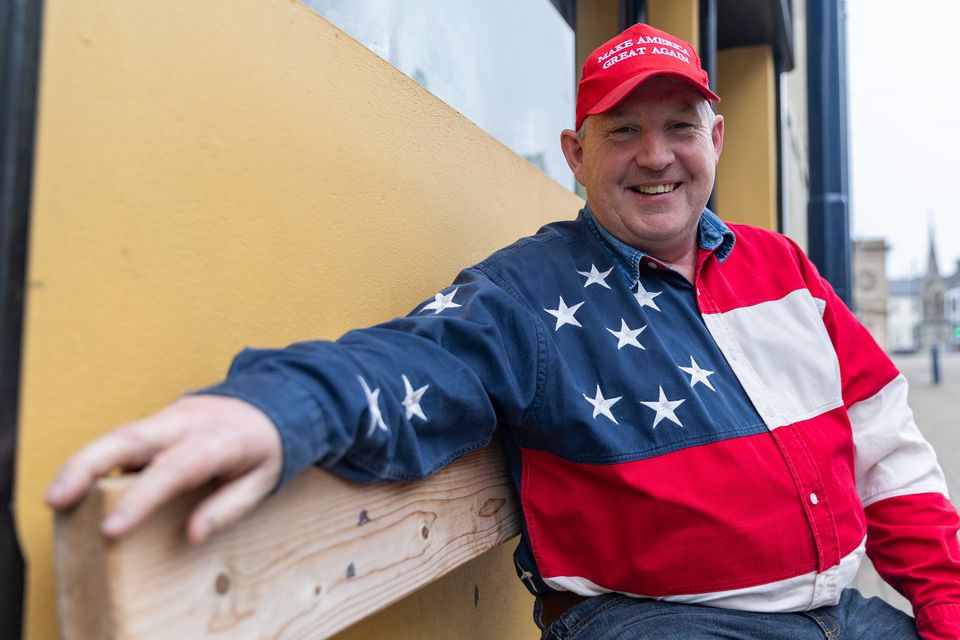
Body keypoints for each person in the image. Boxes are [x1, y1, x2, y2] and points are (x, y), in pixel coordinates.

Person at [46, 23, 960, 639]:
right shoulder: (531, 292)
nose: (655, 156)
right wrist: (271, 410)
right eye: (622, 130)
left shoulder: (785, 271)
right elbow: (412, 360)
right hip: (665, 621)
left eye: (680, 126)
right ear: (575, 152)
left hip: (840, 612)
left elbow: (891, 457)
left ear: (715, 137)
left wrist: (946, 604)